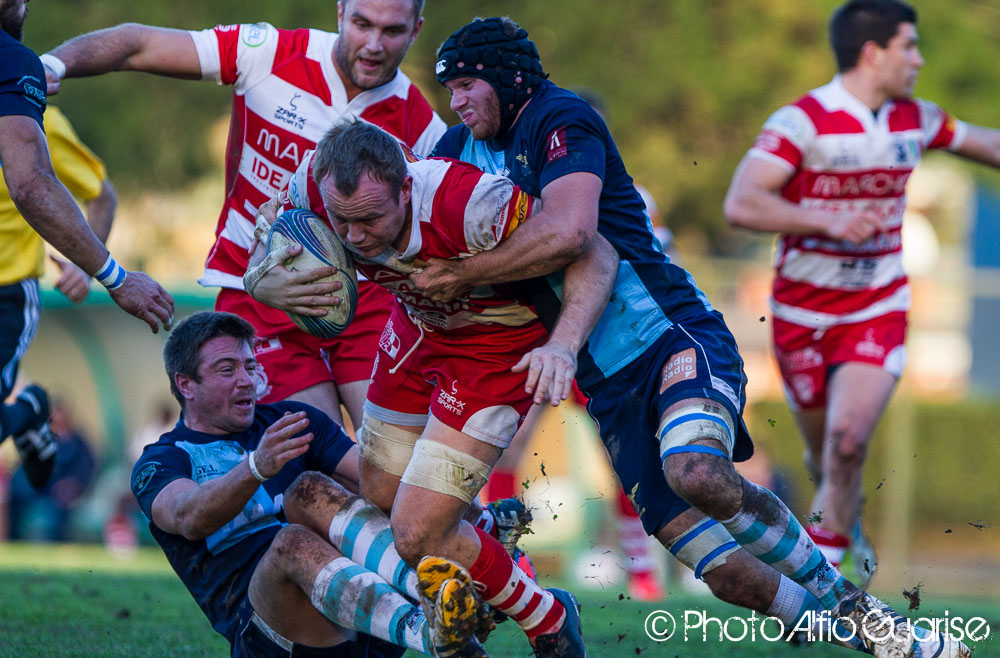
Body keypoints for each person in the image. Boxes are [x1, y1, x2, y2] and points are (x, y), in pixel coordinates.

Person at [425, 16, 971, 657]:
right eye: (450, 90)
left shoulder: (559, 117)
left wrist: (458, 271)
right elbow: (411, 208)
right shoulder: (456, 149)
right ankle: (875, 641)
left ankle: (854, 600)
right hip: (605, 385)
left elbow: (573, 233)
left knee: (696, 471)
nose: (457, 102)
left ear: (505, 78)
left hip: (670, 338)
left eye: (466, 85)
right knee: (726, 573)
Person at [249, 120, 620, 657]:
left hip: (493, 349)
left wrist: (562, 345)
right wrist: (265, 274)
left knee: (417, 532)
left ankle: (548, 617)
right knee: (378, 492)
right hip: (415, 332)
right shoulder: (314, 182)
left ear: (405, 188)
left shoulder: (470, 202)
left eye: (370, 218)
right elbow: (270, 225)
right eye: (340, 220)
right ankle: (492, 534)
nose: (353, 238)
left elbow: (595, 253)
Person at [43, 0, 445, 427]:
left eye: (393, 31)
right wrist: (49, 65)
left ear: (416, 29)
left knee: (391, 467)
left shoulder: (424, 128)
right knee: (310, 459)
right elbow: (136, 45)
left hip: (363, 303)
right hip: (254, 293)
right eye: (363, 24)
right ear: (341, 12)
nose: (374, 45)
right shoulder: (269, 53)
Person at [723, 0, 1000, 587]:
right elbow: (741, 203)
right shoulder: (803, 122)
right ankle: (846, 524)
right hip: (801, 314)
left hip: (877, 306)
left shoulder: (917, 119)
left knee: (848, 446)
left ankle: (827, 592)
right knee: (827, 458)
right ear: (873, 53)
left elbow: (988, 143)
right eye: (910, 46)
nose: (919, 59)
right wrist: (825, 221)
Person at [132, 310, 487, 658]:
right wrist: (256, 467)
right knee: (290, 541)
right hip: (273, 633)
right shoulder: (162, 461)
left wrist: (462, 502)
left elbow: (383, 486)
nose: (246, 380)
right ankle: (429, 635)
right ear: (185, 384)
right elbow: (189, 518)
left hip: (365, 611)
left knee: (309, 487)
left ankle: (441, 595)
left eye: (250, 366)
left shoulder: (291, 421)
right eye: (227, 369)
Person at [0, 1, 172, 493]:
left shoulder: (35, 118)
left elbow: (98, 194)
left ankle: (28, 412)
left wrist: (93, 263)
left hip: (7, 288)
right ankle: (27, 414)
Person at [9, 397, 96, 541]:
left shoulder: (78, 443)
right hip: (35, 490)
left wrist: (74, 485)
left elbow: (86, 469)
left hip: (60, 494)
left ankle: (56, 543)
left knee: (56, 508)